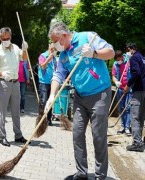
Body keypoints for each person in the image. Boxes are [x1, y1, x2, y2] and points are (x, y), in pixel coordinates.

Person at [46, 22, 114, 179]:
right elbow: (58, 75)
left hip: (99, 94)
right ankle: (81, 173)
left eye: (55, 41)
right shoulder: (63, 55)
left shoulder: (87, 37)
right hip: (80, 96)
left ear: (64, 36)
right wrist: (51, 95)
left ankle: (100, 175)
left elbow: (110, 52)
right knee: (77, 134)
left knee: (98, 136)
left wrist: (94, 53)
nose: (54, 45)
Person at [0, 27, 30, 147]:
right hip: (3, 83)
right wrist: (1, 73)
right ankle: (2, 137)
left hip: (16, 83)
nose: (6, 40)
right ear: (0, 38)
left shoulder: (16, 48)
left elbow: (24, 59)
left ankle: (18, 135)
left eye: (8, 38)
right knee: (2, 111)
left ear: (11, 36)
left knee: (16, 111)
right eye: (4, 38)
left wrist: (24, 49)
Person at [124, 42, 145, 152]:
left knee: (135, 117)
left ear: (131, 49)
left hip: (139, 91)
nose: (128, 52)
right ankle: (140, 141)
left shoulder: (134, 58)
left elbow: (136, 73)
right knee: (141, 117)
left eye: (128, 50)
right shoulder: (142, 58)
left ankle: (137, 143)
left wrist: (128, 85)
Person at [111, 50, 132, 135]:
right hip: (120, 89)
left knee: (128, 108)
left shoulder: (128, 62)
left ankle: (127, 127)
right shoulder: (115, 64)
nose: (118, 61)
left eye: (119, 59)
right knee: (121, 108)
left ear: (122, 57)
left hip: (129, 89)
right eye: (116, 60)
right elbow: (113, 76)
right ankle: (123, 126)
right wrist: (116, 82)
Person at [38, 44, 57, 126]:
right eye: (53, 47)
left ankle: (49, 119)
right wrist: (48, 59)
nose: (54, 49)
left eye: (55, 48)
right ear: (49, 46)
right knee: (43, 101)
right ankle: (41, 118)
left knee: (50, 101)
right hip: (44, 82)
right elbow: (42, 66)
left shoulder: (55, 59)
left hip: (52, 82)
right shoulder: (43, 55)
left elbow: (56, 69)